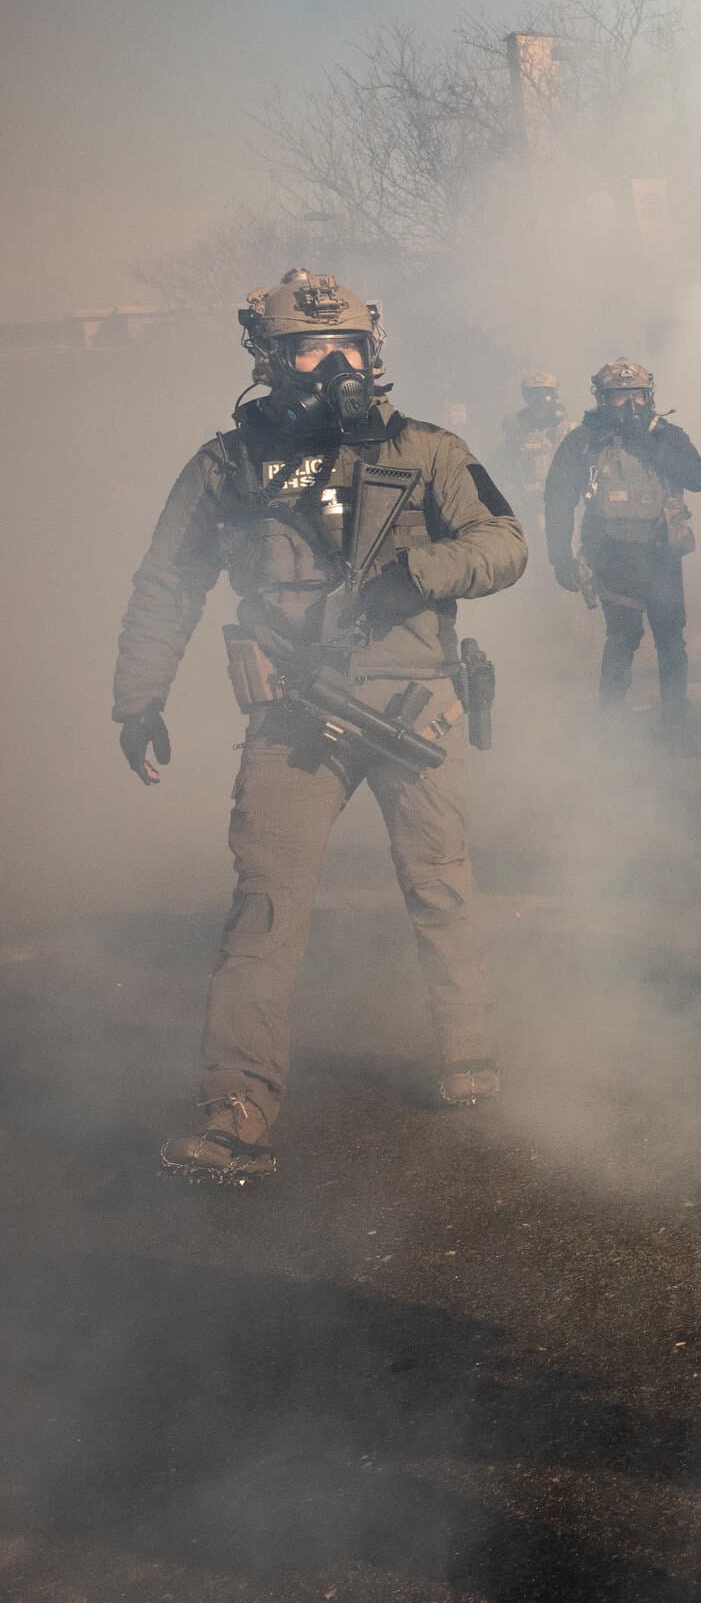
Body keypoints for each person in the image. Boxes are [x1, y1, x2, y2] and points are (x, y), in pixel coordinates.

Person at [114, 269, 527, 1184]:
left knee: (441, 884)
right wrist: (138, 699)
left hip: (416, 701)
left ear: (373, 351)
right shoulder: (227, 466)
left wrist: (415, 574)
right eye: (311, 347)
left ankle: (468, 1053)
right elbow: (167, 584)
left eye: (350, 345)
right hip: (295, 715)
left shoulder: (428, 450)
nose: (336, 363)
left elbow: (505, 544)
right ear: (270, 359)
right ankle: (236, 1106)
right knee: (266, 903)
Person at [544, 359, 701, 725]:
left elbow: (699, 477)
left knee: (670, 639)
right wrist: (559, 556)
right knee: (621, 638)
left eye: (637, 394)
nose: (630, 404)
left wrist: (650, 445)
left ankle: (675, 723)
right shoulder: (585, 441)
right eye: (620, 397)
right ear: (603, 399)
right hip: (611, 555)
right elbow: (558, 496)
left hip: (661, 552)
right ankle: (611, 724)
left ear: (649, 395)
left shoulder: (665, 435)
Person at [497, 371, 573, 540]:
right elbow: (504, 470)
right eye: (533, 396)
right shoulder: (516, 434)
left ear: (554, 396)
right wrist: (517, 500)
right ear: (526, 398)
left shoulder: (571, 430)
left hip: (565, 505)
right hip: (529, 508)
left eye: (546, 395)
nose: (540, 402)